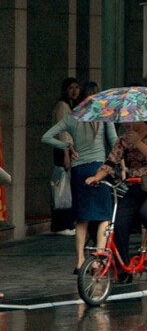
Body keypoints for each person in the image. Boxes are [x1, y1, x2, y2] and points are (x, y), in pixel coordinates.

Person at [42, 82, 118, 273]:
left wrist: (66, 146)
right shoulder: (104, 115)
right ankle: (97, 258)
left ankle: (79, 260)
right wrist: (122, 165)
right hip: (99, 171)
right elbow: (115, 142)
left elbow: (46, 137)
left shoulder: (72, 117)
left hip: (79, 172)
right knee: (104, 216)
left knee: (81, 219)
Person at [85, 120, 147, 279]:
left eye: (130, 119)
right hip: (135, 189)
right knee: (118, 223)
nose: (126, 123)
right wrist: (96, 177)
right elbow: (111, 162)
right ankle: (122, 270)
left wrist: (138, 143)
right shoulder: (123, 140)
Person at [50, 78, 83, 233]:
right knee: (62, 188)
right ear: (65, 90)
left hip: (67, 149)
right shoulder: (63, 106)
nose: (74, 91)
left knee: (65, 188)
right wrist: (66, 154)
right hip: (63, 149)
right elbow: (63, 132)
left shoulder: (70, 106)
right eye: (71, 88)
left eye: (76, 87)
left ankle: (64, 222)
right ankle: (62, 224)